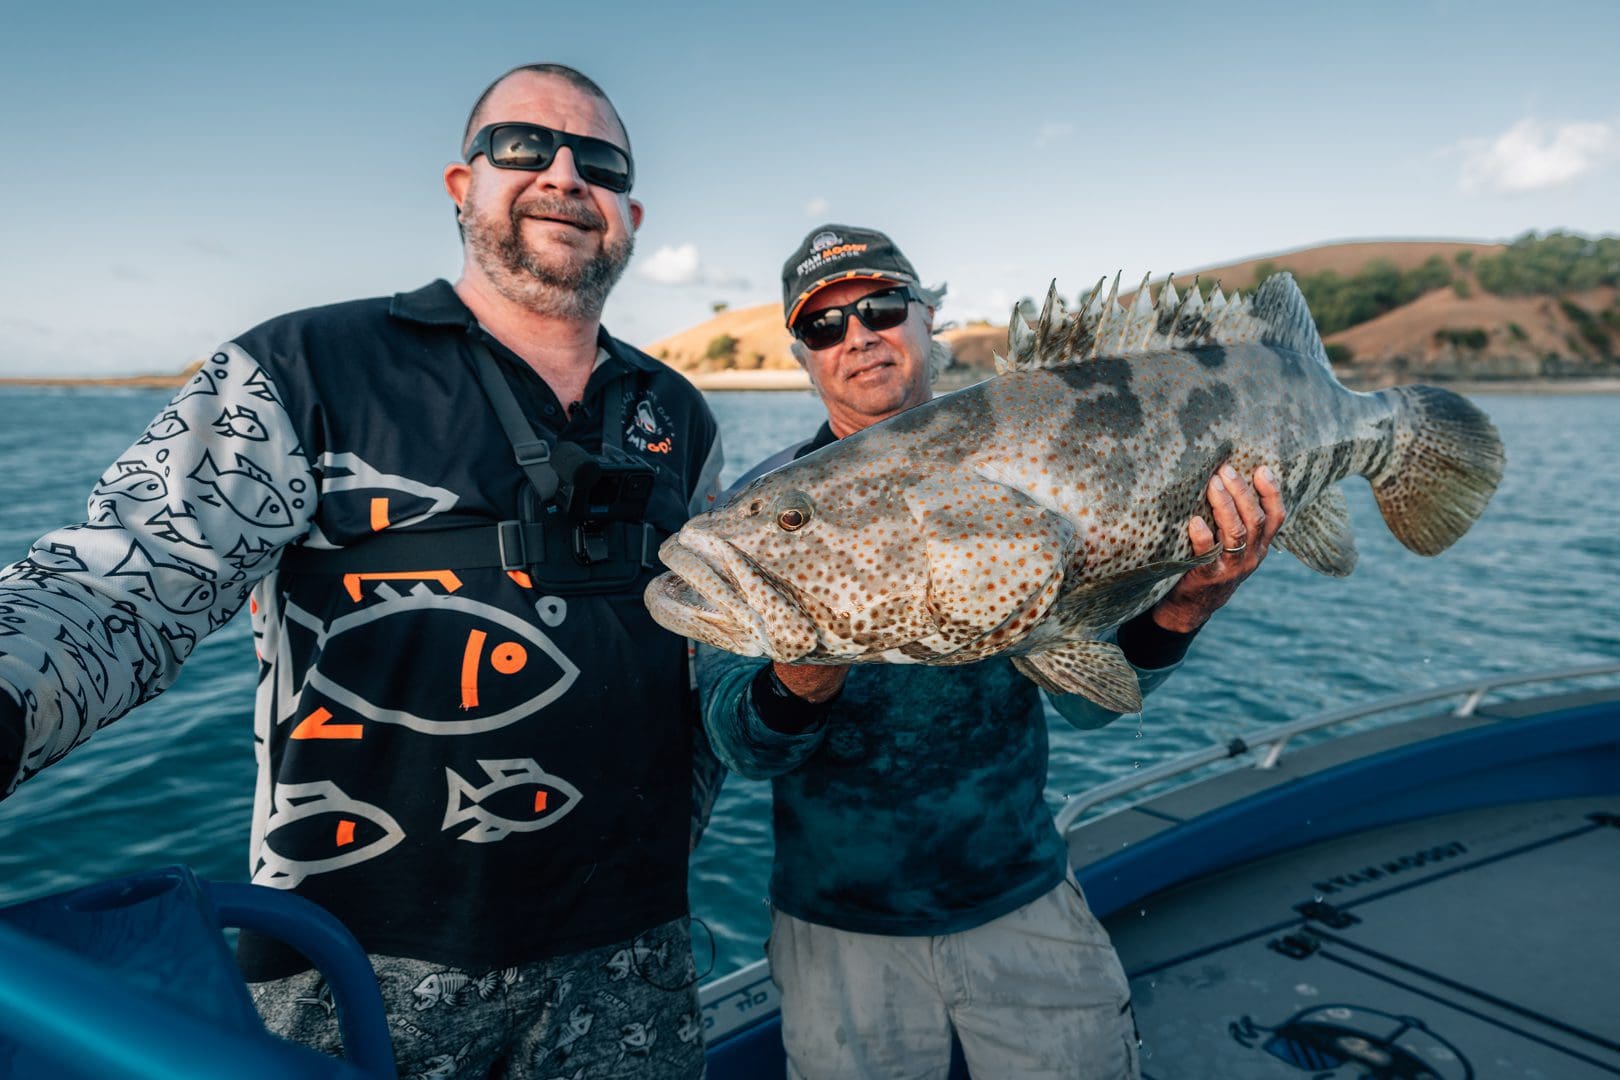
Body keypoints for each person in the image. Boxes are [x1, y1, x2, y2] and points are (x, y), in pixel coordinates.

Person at [0, 64, 724, 1079]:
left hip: (630, 956)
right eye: (521, 147)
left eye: (598, 162)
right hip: (352, 962)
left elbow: (712, 654)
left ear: (631, 211)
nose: (563, 173)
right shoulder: (304, 366)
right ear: (459, 185)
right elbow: (132, 572)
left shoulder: (679, 416)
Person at [697, 225, 1286, 1080]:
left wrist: (1194, 596)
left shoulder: (1045, 449)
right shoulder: (762, 512)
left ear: (927, 318)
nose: (858, 335)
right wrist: (811, 643)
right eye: (825, 326)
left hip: (1021, 897)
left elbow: (1092, 701)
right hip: (838, 929)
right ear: (804, 354)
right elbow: (743, 745)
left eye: (881, 307)